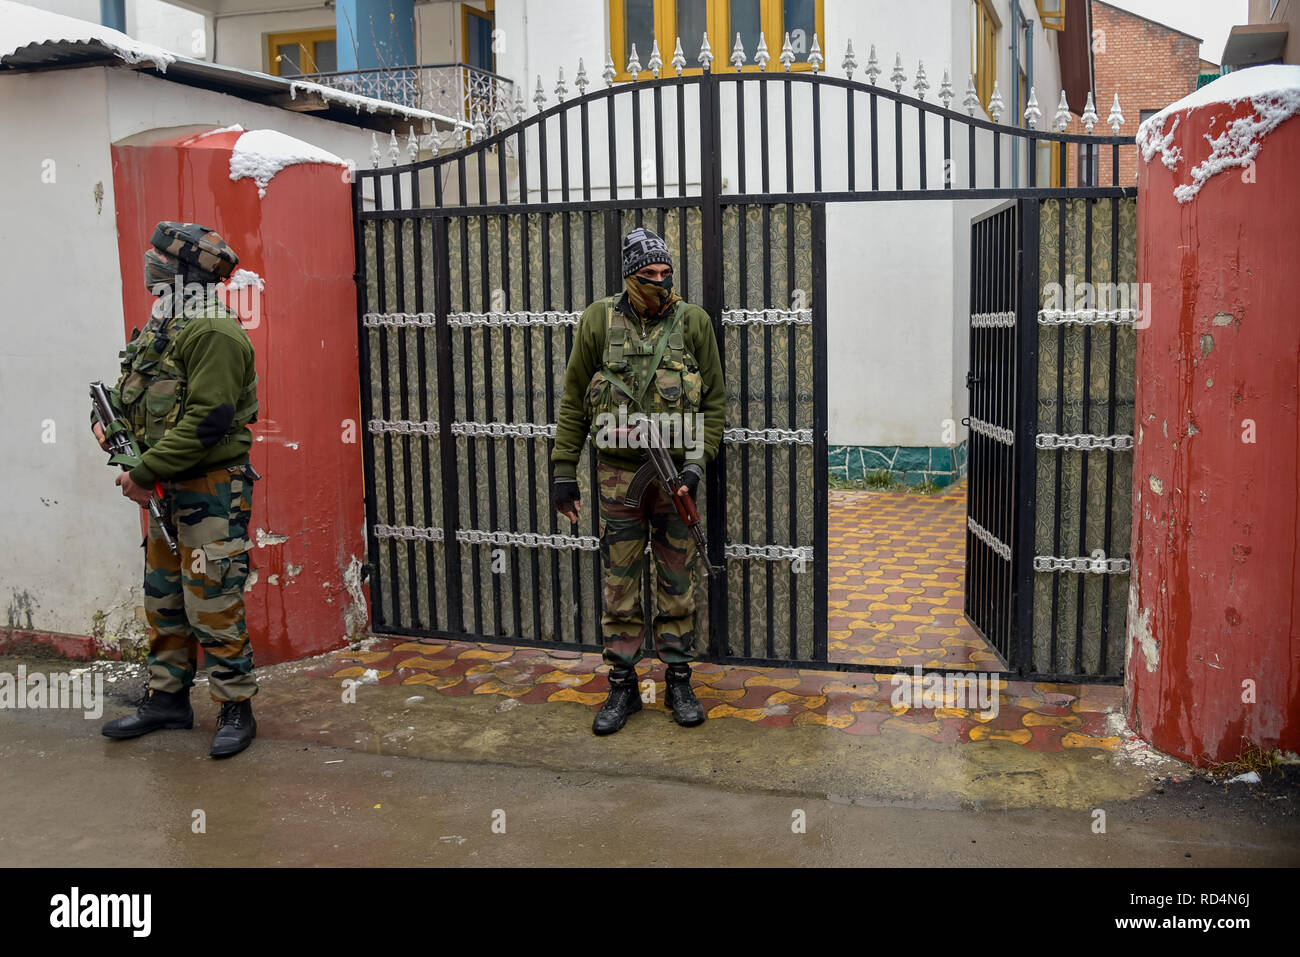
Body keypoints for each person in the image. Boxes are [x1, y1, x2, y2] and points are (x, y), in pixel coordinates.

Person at [93, 222, 261, 758]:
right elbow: (130, 396)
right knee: (164, 598)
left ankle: (236, 706)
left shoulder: (212, 331)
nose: (151, 264)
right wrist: (110, 430)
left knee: (211, 597)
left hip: (208, 487)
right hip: (166, 484)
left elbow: (209, 423)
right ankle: (168, 701)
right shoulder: (163, 325)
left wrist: (143, 474)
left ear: (187, 273)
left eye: (160, 258)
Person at [551, 227, 726, 735]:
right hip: (616, 475)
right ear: (629, 275)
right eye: (648, 274)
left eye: (665, 273)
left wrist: (696, 463)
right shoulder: (598, 321)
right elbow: (574, 399)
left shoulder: (692, 322)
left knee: (677, 578)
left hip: (676, 479)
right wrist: (565, 472)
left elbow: (713, 404)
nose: (659, 281)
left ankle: (677, 678)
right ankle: (623, 687)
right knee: (619, 582)